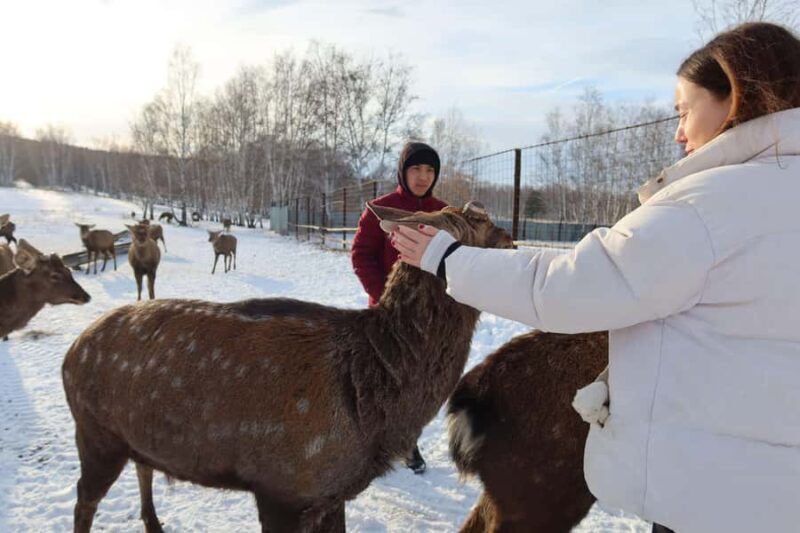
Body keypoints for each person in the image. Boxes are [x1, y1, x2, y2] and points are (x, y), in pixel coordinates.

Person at [392, 22, 800, 533]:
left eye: (684, 111)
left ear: (734, 100)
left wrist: (452, 260)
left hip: (714, 489)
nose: (678, 132)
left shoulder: (711, 204)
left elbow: (575, 285)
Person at [351, 141, 448, 474]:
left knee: (418, 381)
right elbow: (361, 255)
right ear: (403, 171)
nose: (423, 177)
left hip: (430, 316)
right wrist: (383, 298)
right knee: (385, 379)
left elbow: (455, 259)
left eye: (430, 170)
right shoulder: (382, 209)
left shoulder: (444, 213)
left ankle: (407, 441)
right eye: (416, 169)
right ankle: (371, 442)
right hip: (389, 315)